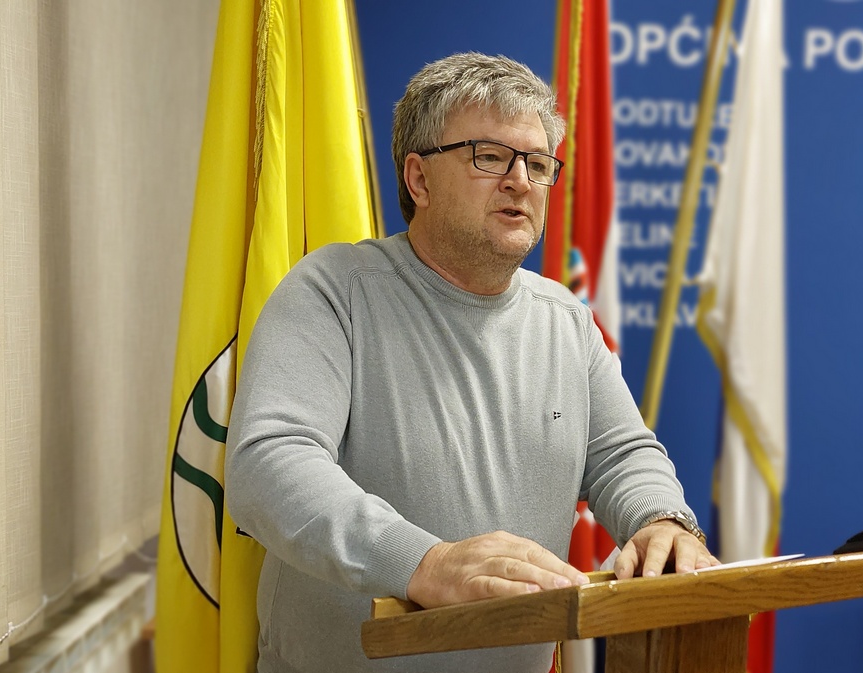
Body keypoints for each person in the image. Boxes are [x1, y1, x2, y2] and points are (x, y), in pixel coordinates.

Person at [226, 52, 717, 673]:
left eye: (538, 164)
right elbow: (268, 465)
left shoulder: (566, 320)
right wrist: (422, 563)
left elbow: (623, 454)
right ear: (419, 179)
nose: (520, 181)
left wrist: (661, 520)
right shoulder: (332, 292)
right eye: (490, 157)